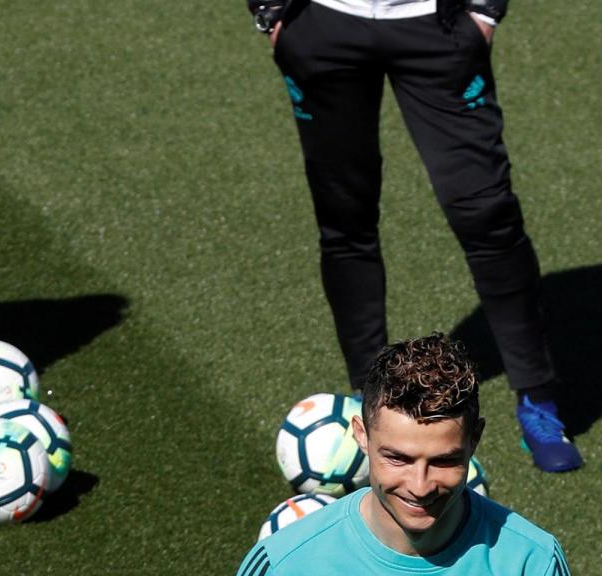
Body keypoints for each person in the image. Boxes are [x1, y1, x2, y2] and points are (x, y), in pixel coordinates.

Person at [245, 0, 582, 472]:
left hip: (438, 26)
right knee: (345, 217)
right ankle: (372, 399)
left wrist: (485, 11)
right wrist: (269, 10)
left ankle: (537, 399)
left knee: (487, 213)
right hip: (321, 23)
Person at [235, 333, 573, 575]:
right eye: (397, 458)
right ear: (361, 436)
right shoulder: (285, 563)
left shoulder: (532, 562)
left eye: (443, 460)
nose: (420, 487)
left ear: (475, 440)